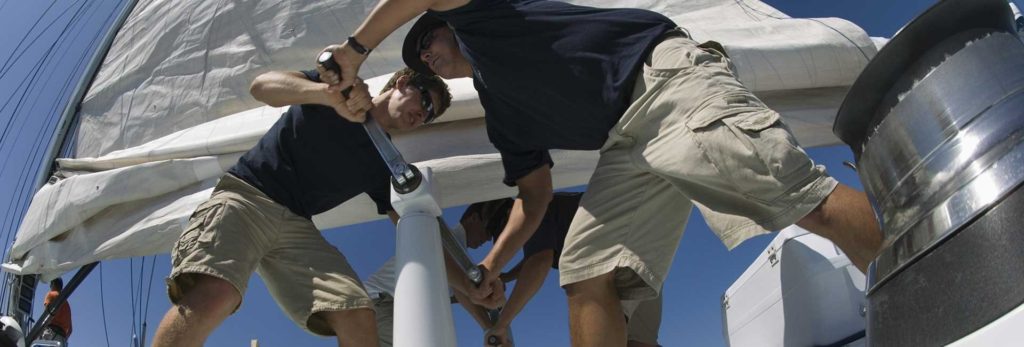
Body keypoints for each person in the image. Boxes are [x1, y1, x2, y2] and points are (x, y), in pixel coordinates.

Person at [320, 1, 882, 345]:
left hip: (661, 81)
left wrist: (355, 48)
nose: (425, 56)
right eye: (416, 59)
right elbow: (535, 197)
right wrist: (490, 264)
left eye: (427, 41)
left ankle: (935, 296)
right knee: (585, 271)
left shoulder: (491, 20)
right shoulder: (504, 115)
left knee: (801, 198)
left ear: (448, 23)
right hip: (624, 143)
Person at [151, 67, 453, 347]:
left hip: (296, 225)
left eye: (430, 115)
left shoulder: (385, 162)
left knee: (359, 312)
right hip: (249, 195)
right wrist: (327, 94)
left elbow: (409, 225)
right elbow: (261, 87)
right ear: (402, 82)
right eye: (425, 100)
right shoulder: (340, 90)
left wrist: (470, 286)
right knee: (219, 294)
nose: (423, 114)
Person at [461, 194, 663, 347]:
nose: (472, 245)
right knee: (639, 343)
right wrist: (507, 276)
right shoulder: (544, 210)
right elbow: (536, 256)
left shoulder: (523, 211)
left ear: (473, 219)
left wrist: (502, 323)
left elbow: (539, 262)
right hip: (644, 251)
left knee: (598, 339)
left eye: (466, 236)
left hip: (616, 261)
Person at [40, 278, 72, 345]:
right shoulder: (67, 304)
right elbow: (70, 330)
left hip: (51, 334)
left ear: (53, 284)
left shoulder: (51, 295)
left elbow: (45, 316)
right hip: (62, 340)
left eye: (50, 284)